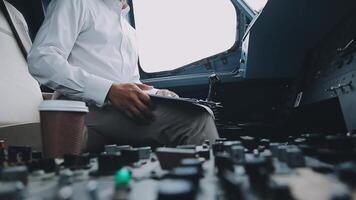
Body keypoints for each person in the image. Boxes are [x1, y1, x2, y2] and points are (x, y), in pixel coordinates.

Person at [28, 0, 219, 152]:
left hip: (118, 110)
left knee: (197, 109)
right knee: (196, 120)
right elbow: (42, 60)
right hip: (80, 109)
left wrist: (156, 92)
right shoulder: (76, 3)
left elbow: (130, 83)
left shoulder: (128, 30)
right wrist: (108, 91)